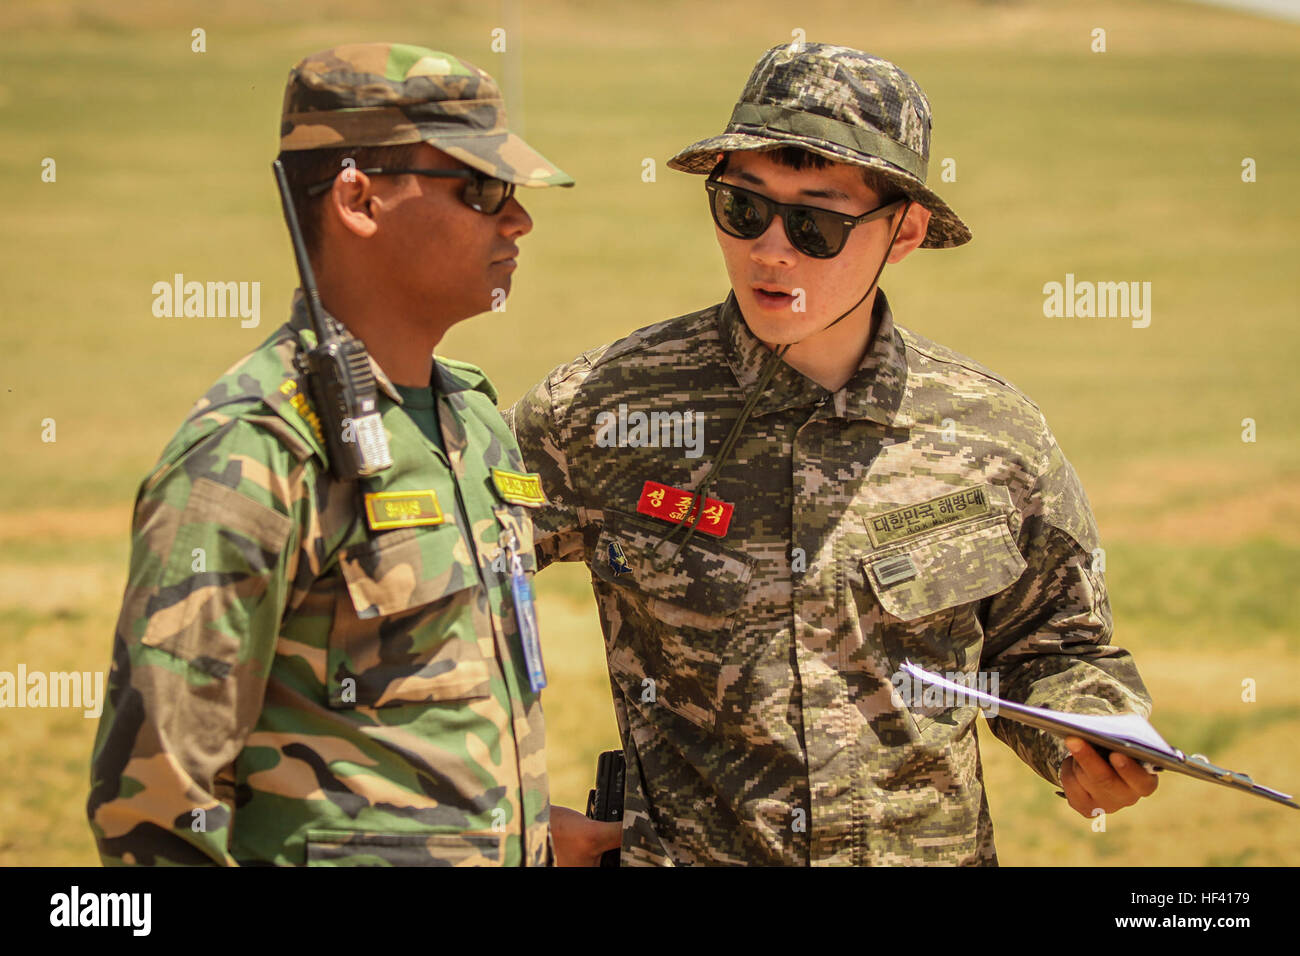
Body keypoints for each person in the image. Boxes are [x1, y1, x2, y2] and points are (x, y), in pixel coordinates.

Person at [506, 41, 1158, 866]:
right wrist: (509, 812)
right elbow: (431, 588)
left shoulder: (993, 435)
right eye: (743, 209)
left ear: (906, 232)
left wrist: (1092, 739)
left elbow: (1052, 650)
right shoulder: (606, 410)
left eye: (814, 223)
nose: (770, 251)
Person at [87, 42, 617, 866]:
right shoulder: (252, 453)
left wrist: (529, 839)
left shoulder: (471, 421)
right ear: (358, 198)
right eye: (482, 189)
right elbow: (155, 812)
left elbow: (411, 738)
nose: (518, 219)